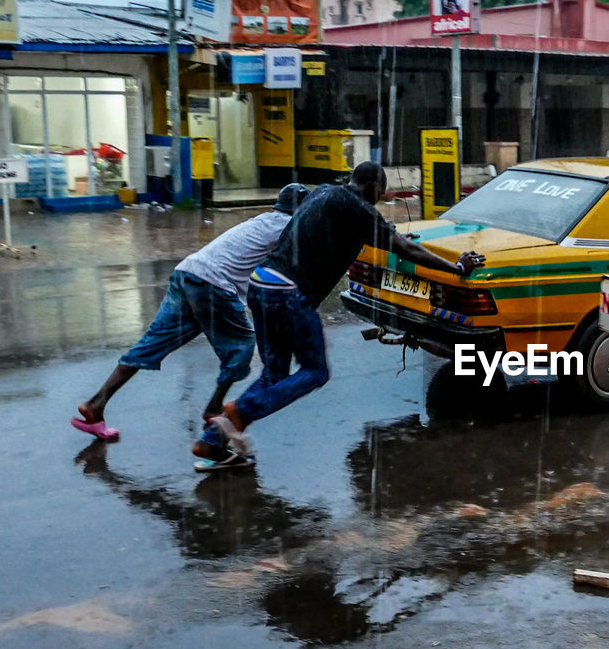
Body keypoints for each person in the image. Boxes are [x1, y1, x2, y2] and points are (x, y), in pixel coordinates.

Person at [192, 161, 485, 470]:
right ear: (372, 185)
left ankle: (213, 440)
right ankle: (234, 416)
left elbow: (379, 239)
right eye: (381, 193)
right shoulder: (359, 208)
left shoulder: (324, 194)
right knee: (316, 372)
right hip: (289, 294)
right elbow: (403, 248)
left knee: (274, 376)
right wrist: (457, 267)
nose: (380, 199)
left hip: (262, 283)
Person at [72, 183, 309, 441]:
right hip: (213, 284)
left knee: (151, 344)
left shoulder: (263, 219)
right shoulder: (288, 228)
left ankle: (95, 404)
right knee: (241, 348)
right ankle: (213, 409)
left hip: (188, 271)